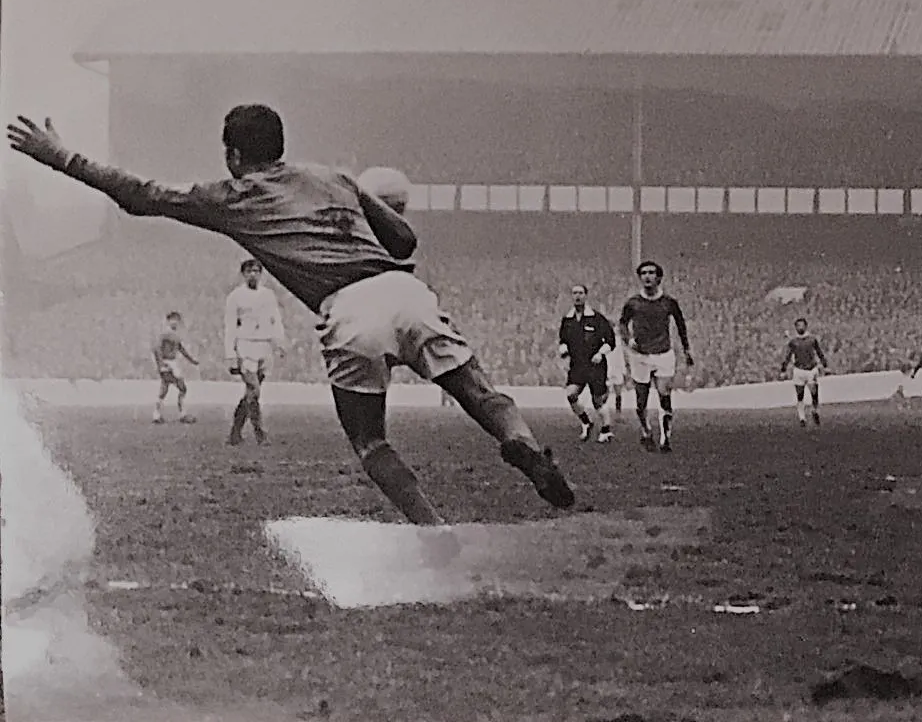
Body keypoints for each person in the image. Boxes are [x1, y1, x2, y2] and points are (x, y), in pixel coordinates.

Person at [7, 109, 576, 532]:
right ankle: (522, 446)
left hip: (347, 309)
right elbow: (404, 240)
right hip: (403, 288)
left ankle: (435, 531)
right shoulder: (335, 177)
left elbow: (140, 196)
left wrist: (61, 157)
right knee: (479, 391)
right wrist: (362, 210)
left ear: (233, 154)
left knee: (371, 441)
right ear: (281, 145)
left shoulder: (231, 195)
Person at [618, 260, 694, 452]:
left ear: (659, 277)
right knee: (641, 401)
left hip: (663, 354)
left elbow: (681, 326)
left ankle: (665, 438)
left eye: (652, 272)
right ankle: (646, 431)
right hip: (640, 356)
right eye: (644, 273)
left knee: (664, 394)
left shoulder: (669, 302)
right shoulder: (633, 303)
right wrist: (629, 340)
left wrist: (687, 349)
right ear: (640, 277)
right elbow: (622, 325)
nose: (647, 276)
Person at [223, 259, 285, 446]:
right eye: (249, 271)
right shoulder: (235, 296)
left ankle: (235, 432)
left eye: (256, 271)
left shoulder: (268, 295)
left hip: (264, 346)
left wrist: (279, 343)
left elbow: (276, 319)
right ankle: (260, 433)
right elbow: (230, 326)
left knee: (251, 394)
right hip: (245, 345)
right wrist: (230, 354)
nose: (253, 274)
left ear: (261, 274)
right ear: (243, 274)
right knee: (254, 389)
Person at [558, 284, 617, 443]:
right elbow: (563, 339)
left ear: (586, 295)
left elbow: (610, 341)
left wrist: (600, 353)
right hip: (577, 365)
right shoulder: (568, 319)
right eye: (574, 293)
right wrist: (563, 349)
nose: (577, 296)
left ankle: (606, 430)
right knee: (571, 394)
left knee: (597, 400)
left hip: (595, 366)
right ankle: (586, 422)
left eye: (581, 293)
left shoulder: (596, 318)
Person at [152, 312, 199, 425]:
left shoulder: (175, 335)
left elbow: (181, 349)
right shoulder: (165, 334)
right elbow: (157, 349)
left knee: (166, 388)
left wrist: (192, 360)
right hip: (168, 363)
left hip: (173, 363)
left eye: (176, 320)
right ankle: (181, 414)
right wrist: (161, 364)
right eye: (172, 320)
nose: (175, 322)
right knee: (180, 388)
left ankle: (157, 415)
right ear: (168, 321)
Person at [781, 318, 829, 427]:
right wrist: (783, 369)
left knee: (814, 393)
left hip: (811, 370)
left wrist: (824, 365)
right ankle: (802, 418)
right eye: (798, 326)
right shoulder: (793, 342)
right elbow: (787, 356)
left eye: (802, 325)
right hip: (798, 371)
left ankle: (815, 410)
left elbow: (819, 352)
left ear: (806, 326)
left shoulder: (812, 339)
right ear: (796, 328)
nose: (800, 328)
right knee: (800, 395)